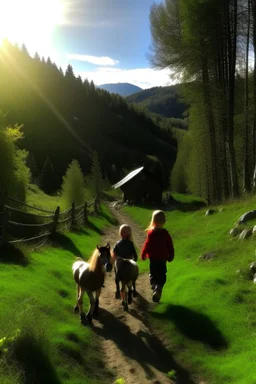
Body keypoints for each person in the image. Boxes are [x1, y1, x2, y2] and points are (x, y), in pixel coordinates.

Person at [141, 210, 174, 303]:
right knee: (162, 275)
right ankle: (158, 288)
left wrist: (143, 254)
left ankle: (155, 287)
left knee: (153, 275)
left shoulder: (151, 234)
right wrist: (171, 255)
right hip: (163, 259)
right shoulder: (165, 234)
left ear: (153, 221)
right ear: (164, 222)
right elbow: (170, 245)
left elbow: (147, 245)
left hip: (153, 258)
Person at [113, 224, 138, 296]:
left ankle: (134, 288)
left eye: (123, 232)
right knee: (116, 274)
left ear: (127, 234)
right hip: (120, 261)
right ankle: (117, 290)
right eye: (121, 232)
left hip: (128, 262)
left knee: (132, 274)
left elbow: (134, 253)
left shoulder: (130, 244)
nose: (121, 233)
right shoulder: (118, 243)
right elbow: (114, 252)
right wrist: (115, 258)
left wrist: (134, 259)